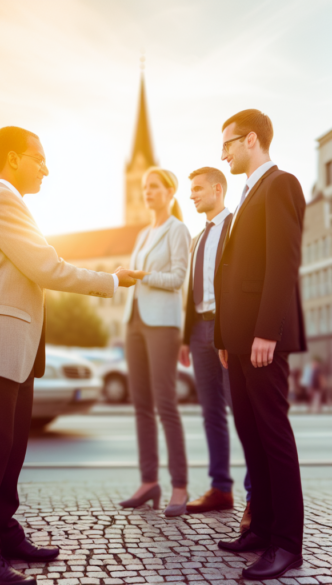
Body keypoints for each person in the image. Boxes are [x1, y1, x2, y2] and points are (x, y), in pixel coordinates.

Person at [0, 126, 140, 585]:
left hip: (16, 346)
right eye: (39, 158)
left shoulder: (12, 205)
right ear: (13, 158)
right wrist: (110, 281)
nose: (46, 167)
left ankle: (3, 532)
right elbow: (46, 267)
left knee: (11, 449)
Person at [213, 109, 307, 580]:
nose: (223, 152)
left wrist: (267, 330)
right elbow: (231, 275)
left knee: (273, 437)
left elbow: (282, 263)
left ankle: (288, 543)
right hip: (240, 340)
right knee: (251, 436)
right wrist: (224, 337)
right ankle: (263, 529)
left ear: (251, 140)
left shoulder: (281, 184)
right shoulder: (249, 195)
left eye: (227, 143)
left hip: (263, 340)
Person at [179, 167, 253, 530]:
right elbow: (191, 291)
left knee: (243, 413)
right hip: (199, 331)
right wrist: (184, 337)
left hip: (228, 329)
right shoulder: (195, 239)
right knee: (211, 412)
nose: (190, 195)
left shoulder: (236, 227)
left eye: (197, 189)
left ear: (218, 189)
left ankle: (255, 497)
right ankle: (220, 488)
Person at [117, 168, 191, 517]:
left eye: (154, 187)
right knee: (141, 405)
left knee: (165, 404)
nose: (147, 192)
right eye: (145, 187)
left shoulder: (178, 230)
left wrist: (143, 275)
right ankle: (149, 481)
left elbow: (178, 278)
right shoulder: (144, 233)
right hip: (134, 321)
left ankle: (180, 485)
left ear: (170, 192)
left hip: (162, 323)